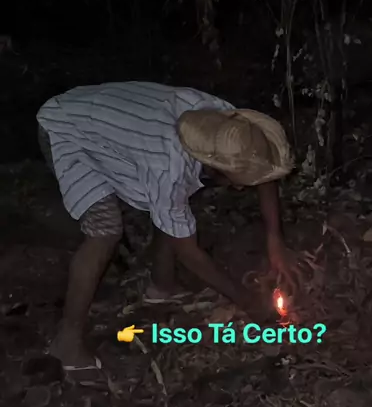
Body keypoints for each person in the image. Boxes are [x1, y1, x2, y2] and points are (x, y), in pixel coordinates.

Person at [37, 81, 298, 371]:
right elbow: (188, 252)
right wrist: (248, 302)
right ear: (213, 166)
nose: (240, 189)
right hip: (67, 128)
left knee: (172, 209)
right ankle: (67, 343)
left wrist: (275, 240)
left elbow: (261, 166)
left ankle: (161, 287)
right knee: (105, 230)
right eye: (238, 183)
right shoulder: (168, 168)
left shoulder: (227, 126)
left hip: (113, 121)